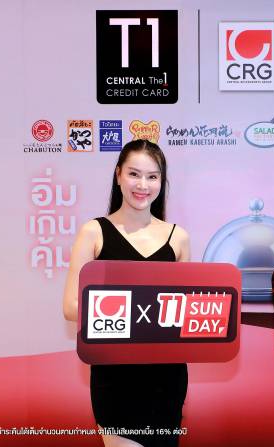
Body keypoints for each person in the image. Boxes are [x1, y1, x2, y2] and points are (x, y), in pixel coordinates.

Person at [62, 140, 191, 447]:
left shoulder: (178, 238)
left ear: (161, 181)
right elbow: (71, 306)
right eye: (134, 174)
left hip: (167, 377)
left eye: (152, 176)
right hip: (115, 377)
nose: (143, 185)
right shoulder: (94, 232)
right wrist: (134, 315)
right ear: (118, 174)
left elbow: (183, 310)